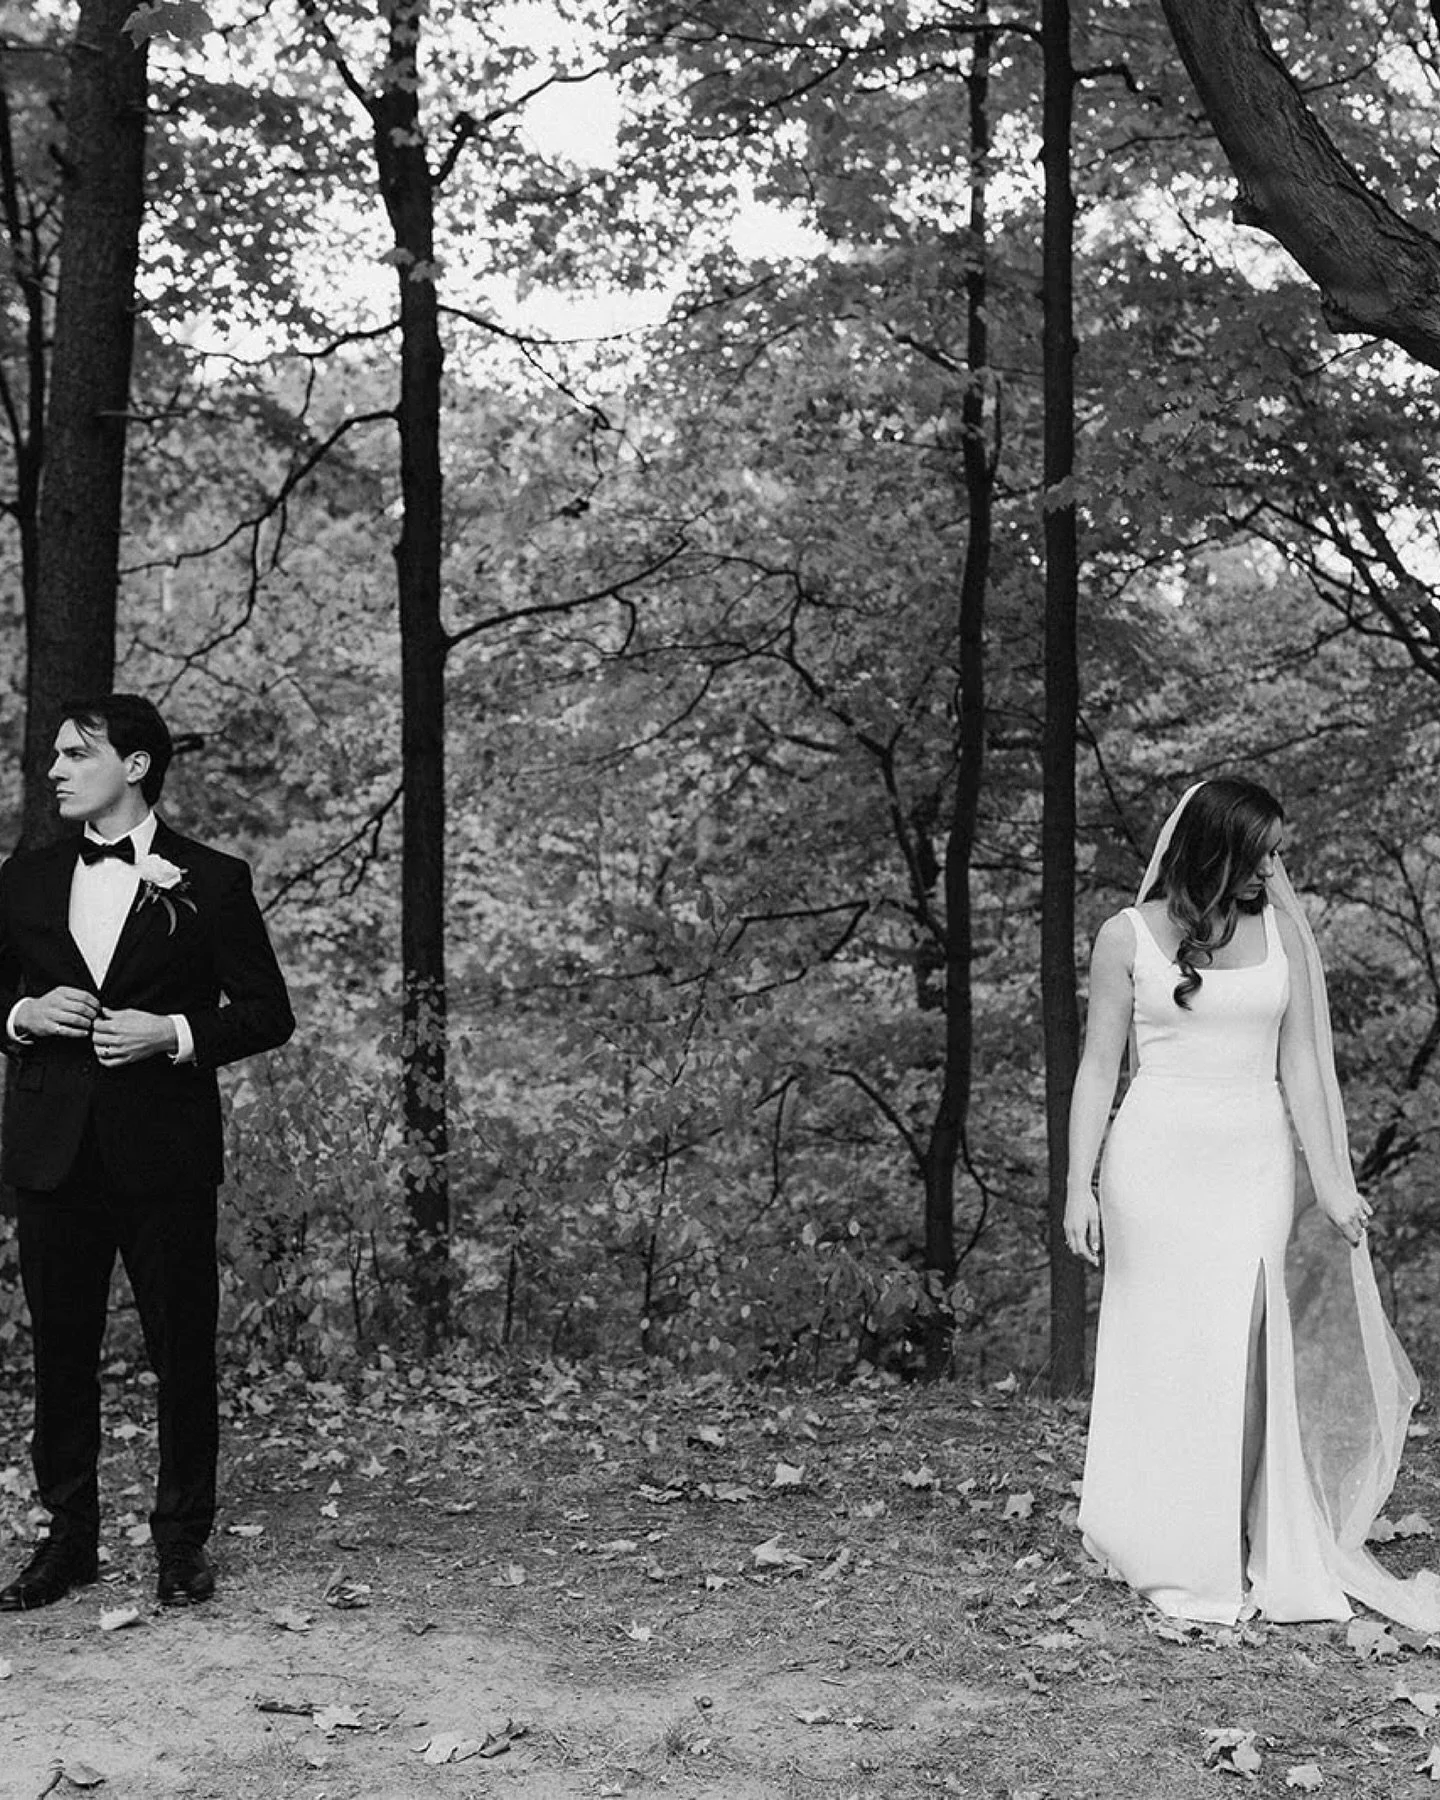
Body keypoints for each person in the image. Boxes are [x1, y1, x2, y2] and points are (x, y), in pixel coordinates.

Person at [1065, 776, 1440, 1627]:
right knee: (1162, 1344)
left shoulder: (1282, 935)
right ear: (1216, 848)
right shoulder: (1125, 937)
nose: (1274, 871)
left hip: (1253, 1161)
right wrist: (1077, 1185)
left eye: (1278, 855)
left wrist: (1334, 1183)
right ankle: (1158, 1534)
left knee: (1244, 1345)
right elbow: (1097, 1068)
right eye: (1261, 854)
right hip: (1152, 1165)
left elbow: (1301, 1065)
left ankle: (1231, 1535)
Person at [0, 695, 294, 1609]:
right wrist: (23, 1014)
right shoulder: (23, 878)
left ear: (133, 766)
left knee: (183, 1352)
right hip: (52, 1155)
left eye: (75, 754)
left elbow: (268, 1013)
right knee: (62, 1356)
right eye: (54, 755)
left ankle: (181, 1543)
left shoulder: (213, 879)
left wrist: (172, 1033)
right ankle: (69, 1543)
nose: (55, 770)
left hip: (165, 1154)